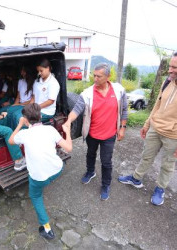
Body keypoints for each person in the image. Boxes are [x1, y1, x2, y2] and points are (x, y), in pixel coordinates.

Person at [118, 49, 177, 206]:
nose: (170, 70)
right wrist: (148, 123)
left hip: (175, 136)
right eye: (170, 66)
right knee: (146, 156)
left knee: (168, 165)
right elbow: (158, 104)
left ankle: (160, 188)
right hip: (155, 129)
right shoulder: (169, 80)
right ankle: (136, 178)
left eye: (175, 67)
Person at [63, 62, 128, 201]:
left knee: (106, 161)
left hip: (109, 135)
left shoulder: (119, 91)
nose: (95, 79)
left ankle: (106, 185)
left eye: (99, 76)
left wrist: (122, 127)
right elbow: (76, 109)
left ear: (108, 76)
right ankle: (90, 172)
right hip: (92, 133)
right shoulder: (87, 94)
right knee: (90, 154)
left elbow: (124, 110)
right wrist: (68, 121)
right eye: (94, 75)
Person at [8, 103, 72, 240]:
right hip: (57, 169)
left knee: (36, 196)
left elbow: (11, 140)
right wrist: (68, 131)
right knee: (47, 177)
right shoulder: (50, 130)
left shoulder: (23, 134)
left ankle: (47, 229)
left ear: (25, 119)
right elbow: (69, 148)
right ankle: (49, 181)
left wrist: (19, 125)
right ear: (41, 116)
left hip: (38, 177)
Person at [29, 59, 60, 123]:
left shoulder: (53, 83)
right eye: (38, 71)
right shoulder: (37, 81)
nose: (39, 73)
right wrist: (29, 107)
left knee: (26, 122)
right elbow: (34, 97)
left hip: (47, 112)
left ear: (48, 68)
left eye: (41, 71)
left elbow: (50, 101)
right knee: (19, 115)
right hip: (36, 109)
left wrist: (36, 108)